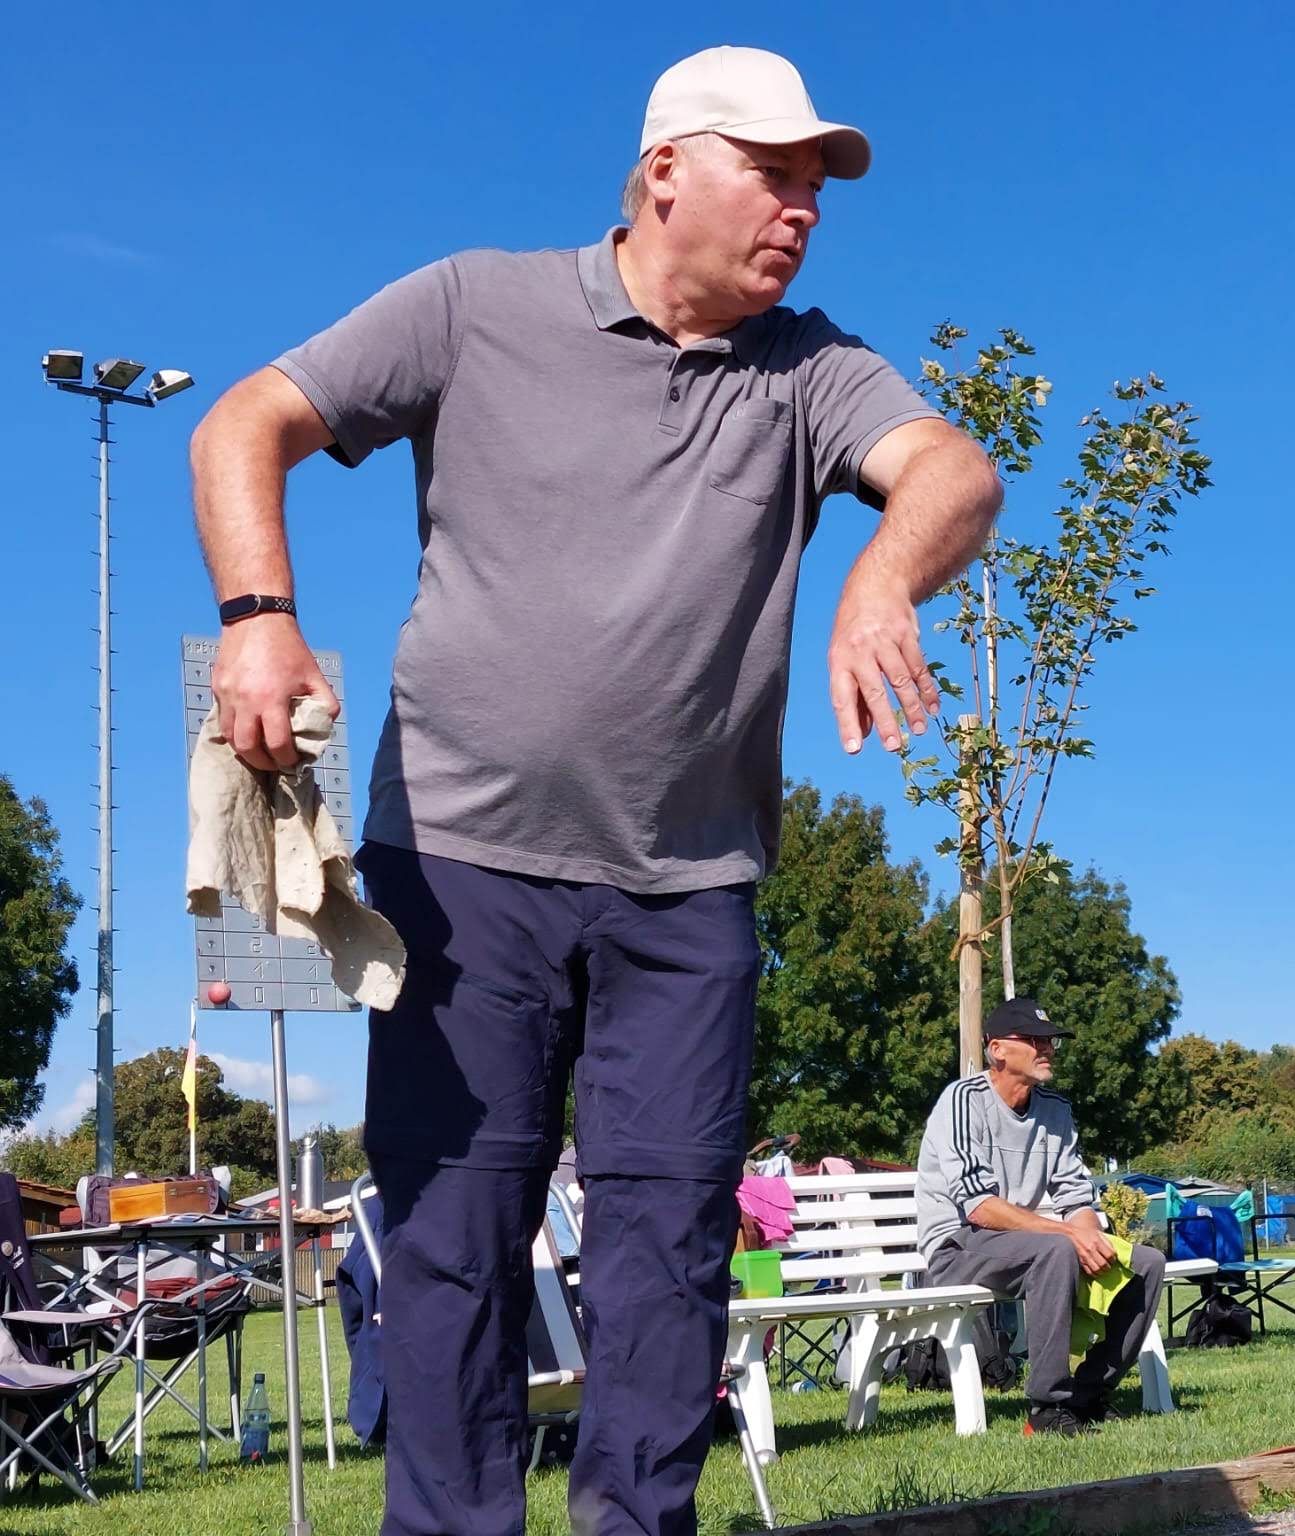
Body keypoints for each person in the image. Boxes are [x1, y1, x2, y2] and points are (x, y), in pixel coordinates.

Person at [189, 45, 1001, 1535]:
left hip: (687, 888)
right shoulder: (473, 304)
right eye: (775, 174)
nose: (804, 210)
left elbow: (954, 470)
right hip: (459, 863)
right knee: (451, 1239)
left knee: (672, 1246)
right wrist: (257, 619)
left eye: (817, 186)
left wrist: (883, 574)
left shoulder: (810, 368)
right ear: (664, 171)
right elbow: (243, 421)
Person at [914, 997, 1166, 1436]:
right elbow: (979, 1206)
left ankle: (1087, 1396)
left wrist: (1089, 1239)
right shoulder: (962, 1100)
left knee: (1146, 1263)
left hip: (1020, 1246)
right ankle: (1047, 1409)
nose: (1047, 1048)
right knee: (1056, 1250)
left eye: (1051, 1041)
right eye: (1034, 1040)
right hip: (956, 1248)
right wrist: (1070, 1237)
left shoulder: (1055, 1110)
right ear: (997, 1049)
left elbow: (1076, 1196)